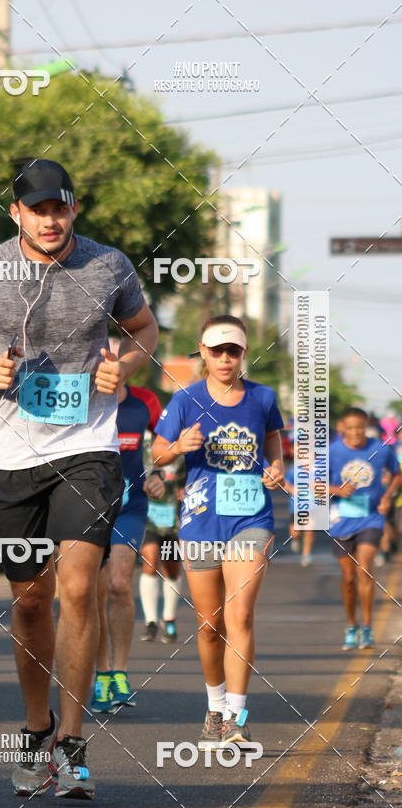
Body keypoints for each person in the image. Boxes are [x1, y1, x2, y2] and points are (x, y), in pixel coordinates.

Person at [0, 159, 158, 800]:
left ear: (73, 209)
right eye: (37, 209)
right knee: (31, 601)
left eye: (59, 208)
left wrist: (127, 365)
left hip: (89, 449)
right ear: (17, 213)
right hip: (16, 458)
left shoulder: (109, 265)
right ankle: (37, 732)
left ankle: (76, 744)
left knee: (80, 589)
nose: (50, 219)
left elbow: (144, 330)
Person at [152, 314, 284, 747]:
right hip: (201, 521)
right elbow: (157, 456)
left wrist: (277, 466)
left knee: (240, 614)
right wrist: (177, 448)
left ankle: (237, 717)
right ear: (203, 354)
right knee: (209, 625)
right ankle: (215, 706)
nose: (225, 358)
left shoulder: (263, 398)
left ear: (244, 353)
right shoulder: (185, 400)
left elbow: (273, 444)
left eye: (234, 350)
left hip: (251, 519)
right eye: (217, 351)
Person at [92, 374, 163, 713]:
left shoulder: (145, 401)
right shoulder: (80, 399)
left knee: (119, 584)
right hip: (83, 508)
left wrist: (159, 474)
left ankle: (119, 672)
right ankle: (101, 673)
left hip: (129, 508)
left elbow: (165, 446)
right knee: (92, 592)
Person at [328, 407, 400, 650]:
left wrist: (388, 496)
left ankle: (368, 627)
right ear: (342, 428)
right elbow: (311, 482)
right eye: (350, 428)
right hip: (340, 520)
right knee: (349, 578)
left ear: (366, 426)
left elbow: (397, 473)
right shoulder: (332, 451)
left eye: (359, 427)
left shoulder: (380, 448)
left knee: (365, 568)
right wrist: (335, 490)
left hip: (371, 517)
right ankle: (352, 625)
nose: (355, 433)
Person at [139, 438, 185, 643]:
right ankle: (150, 621)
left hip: (173, 521)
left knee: (172, 569)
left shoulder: (183, 451)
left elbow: (190, 482)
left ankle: (169, 618)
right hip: (148, 518)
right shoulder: (144, 449)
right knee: (150, 560)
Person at [283, 463, 315, 566]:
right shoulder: (293, 470)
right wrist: (292, 489)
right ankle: (295, 539)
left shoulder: (318, 470)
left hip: (313, 506)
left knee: (310, 530)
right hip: (296, 506)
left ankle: (306, 555)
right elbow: (285, 483)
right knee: (295, 532)